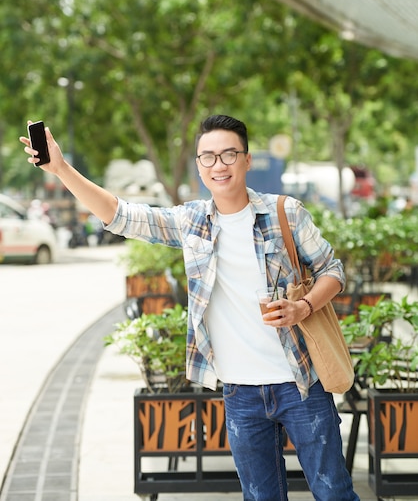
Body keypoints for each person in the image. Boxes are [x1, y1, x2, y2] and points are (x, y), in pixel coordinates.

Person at [20, 114, 359, 501]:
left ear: (247, 160)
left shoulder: (286, 212)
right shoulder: (191, 221)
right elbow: (120, 215)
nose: (219, 165)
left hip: (301, 383)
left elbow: (332, 270)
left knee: (334, 493)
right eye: (208, 157)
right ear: (199, 166)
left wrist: (304, 308)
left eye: (229, 154)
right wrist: (61, 168)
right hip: (240, 392)